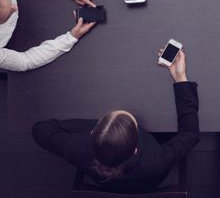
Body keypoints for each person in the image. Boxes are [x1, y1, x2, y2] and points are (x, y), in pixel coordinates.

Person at [31, 49, 199, 193]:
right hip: (150, 181)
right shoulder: (157, 160)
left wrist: (99, 131)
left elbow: (39, 129)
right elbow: (190, 134)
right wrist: (181, 79)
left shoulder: (77, 148)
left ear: (93, 133)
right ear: (135, 149)